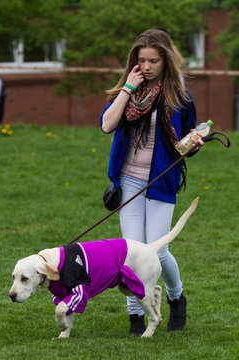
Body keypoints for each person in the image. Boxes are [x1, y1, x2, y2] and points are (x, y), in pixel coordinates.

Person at [99, 29, 203, 335]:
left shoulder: (179, 98)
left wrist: (193, 143)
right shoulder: (129, 89)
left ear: (165, 61)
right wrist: (128, 88)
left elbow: (185, 143)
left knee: (157, 250)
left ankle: (176, 296)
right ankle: (135, 317)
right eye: (141, 60)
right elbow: (107, 125)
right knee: (130, 252)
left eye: (153, 61)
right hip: (128, 181)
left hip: (160, 180)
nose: (146, 66)